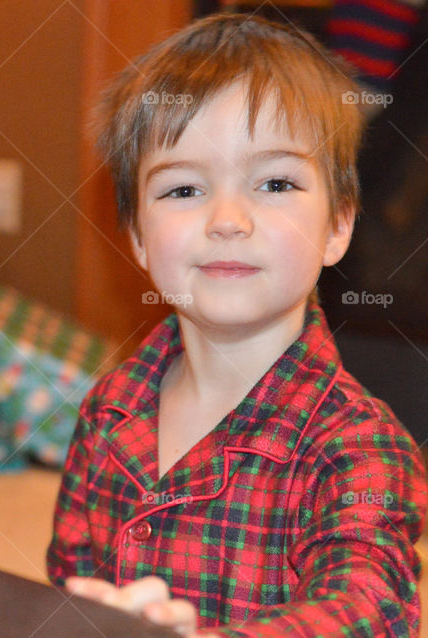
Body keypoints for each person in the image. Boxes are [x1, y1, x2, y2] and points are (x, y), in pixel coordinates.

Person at [46, 13, 428, 637]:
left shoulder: (359, 448)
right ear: (139, 238)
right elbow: (68, 590)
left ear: (337, 226)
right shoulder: (107, 409)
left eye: (274, 182)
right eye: (183, 190)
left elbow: (369, 609)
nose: (227, 219)